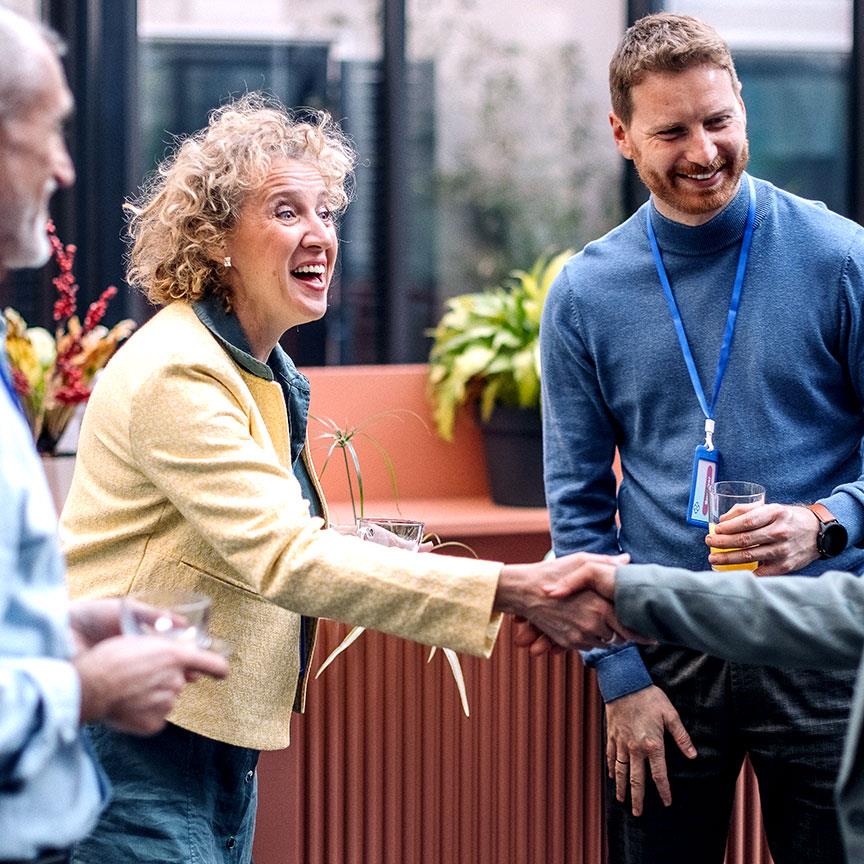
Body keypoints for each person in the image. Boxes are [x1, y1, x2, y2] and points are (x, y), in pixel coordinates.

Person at [58, 92, 634, 864]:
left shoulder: (258, 367)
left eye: (326, 212)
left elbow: (264, 533)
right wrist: (515, 588)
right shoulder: (180, 372)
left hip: (204, 739)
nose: (320, 234)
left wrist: (370, 549)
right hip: (139, 745)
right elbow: (286, 558)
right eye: (286, 211)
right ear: (216, 238)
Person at [540, 11, 864, 864]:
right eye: (672, 131)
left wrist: (826, 524)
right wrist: (619, 680)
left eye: (718, 121)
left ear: (742, 107)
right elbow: (577, 506)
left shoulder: (840, 258)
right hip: (665, 658)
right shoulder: (584, 294)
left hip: (822, 645)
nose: (704, 150)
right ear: (622, 135)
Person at [0, 9, 230, 863]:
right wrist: (83, 688)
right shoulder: (175, 364)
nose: (65, 167)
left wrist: (61, 628)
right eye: (49, 131)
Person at [521, 556, 864, 863]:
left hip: (821, 633)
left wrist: (827, 527)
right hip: (657, 643)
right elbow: (576, 516)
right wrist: (621, 673)